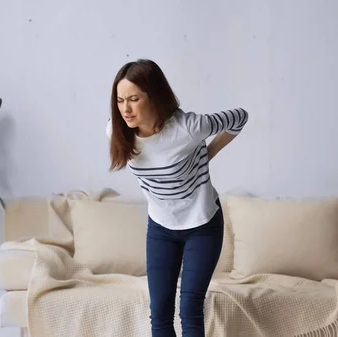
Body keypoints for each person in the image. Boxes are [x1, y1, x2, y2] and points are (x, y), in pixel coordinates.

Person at [105, 59, 249, 337]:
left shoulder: (189, 128)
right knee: (159, 314)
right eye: (120, 100)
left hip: (202, 226)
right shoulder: (117, 131)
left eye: (134, 99)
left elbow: (240, 117)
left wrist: (208, 154)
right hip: (161, 228)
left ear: (154, 96)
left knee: (190, 310)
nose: (125, 108)